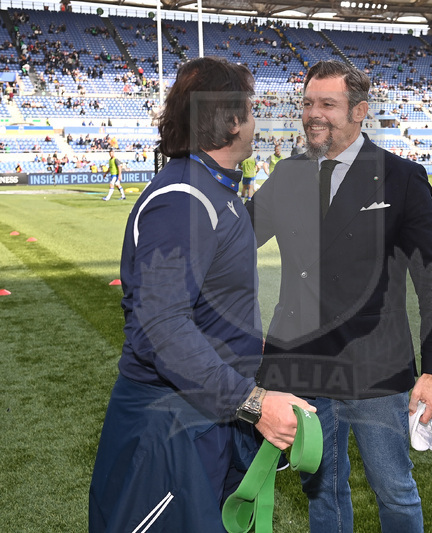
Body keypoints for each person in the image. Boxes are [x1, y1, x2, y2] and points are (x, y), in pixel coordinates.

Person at [89, 57, 314, 533]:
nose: (257, 119)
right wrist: (254, 403)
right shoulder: (183, 200)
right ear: (231, 119)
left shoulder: (213, 192)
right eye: (251, 109)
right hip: (171, 427)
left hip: (210, 417)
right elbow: (161, 329)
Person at [246, 60, 432, 532]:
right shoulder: (288, 174)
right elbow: (236, 240)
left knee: (395, 493)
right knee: (322, 492)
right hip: (303, 367)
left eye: (327, 104)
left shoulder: (401, 177)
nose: (312, 115)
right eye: (306, 103)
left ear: (359, 111)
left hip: (377, 372)